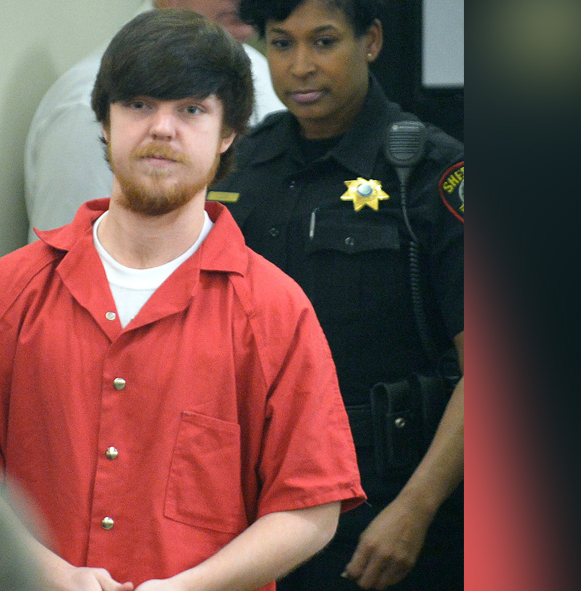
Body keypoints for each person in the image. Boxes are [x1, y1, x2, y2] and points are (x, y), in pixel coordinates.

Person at [0, 10, 365, 591]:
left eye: (192, 110)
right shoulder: (9, 290)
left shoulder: (274, 309)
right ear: (104, 121)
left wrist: (188, 587)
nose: (162, 129)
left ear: (229, 133)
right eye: (139, 105)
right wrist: (52, 575)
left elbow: (310, 506)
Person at [211, 0, 464, 589]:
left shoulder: (432, 170)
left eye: (323, 42)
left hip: (384, 503)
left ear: (370, 41)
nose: (301, 66)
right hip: (254, 497)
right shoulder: (240, 166)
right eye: (282, 43)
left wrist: (415, 509)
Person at [23, 0, 287, 242]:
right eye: (140, 106)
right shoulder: (85, 107)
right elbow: (64, 256)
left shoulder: (264, 73)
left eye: (192, 110)